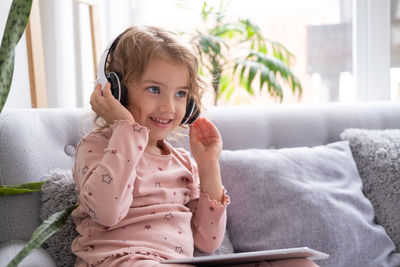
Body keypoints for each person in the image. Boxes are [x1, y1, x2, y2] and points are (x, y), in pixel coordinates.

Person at [71, 25, 318, 267]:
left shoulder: (182, 162)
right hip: (120, 262)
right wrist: (125, 128)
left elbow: (207, 241)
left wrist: (208, 165)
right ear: (117, 91)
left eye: (180, 94)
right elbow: (107, 212)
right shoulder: (97, 147)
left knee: (299, 264)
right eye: (154, 89)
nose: (169, 107)